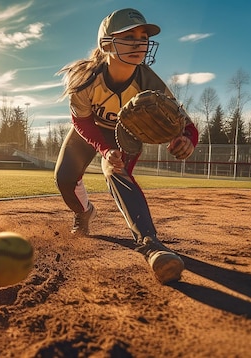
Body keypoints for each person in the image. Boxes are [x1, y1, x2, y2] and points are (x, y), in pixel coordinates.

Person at [54, 8, 199, 284]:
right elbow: (82, 122)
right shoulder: (85, 80)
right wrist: (103, 148)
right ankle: (84, 213)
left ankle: (151, 246)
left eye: (143, 37)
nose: (139, 43)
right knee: (64, 179)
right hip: (90, 131)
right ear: (106, 44)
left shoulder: (147, 81)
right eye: (129, 36)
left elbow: (186, 124)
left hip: (125, 135)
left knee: (115, 172)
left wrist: (186, 138)